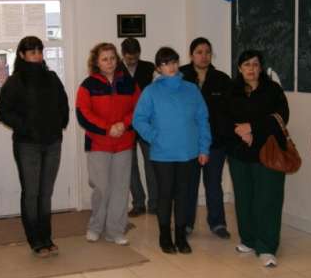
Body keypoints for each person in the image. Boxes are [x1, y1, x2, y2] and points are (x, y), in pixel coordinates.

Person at [0, 36, 69, 258]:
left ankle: (47, 237)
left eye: (39, 51)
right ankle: (35, 240)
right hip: (27, 144)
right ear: (22, 55)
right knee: (31, 192)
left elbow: (63, 104)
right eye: (32, 52)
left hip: (52, 142)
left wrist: (60, 123)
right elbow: (3, 112)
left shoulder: (52, 77)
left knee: (46, 193)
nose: (37, 56)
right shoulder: (15, 81)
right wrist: (27, 127)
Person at [133, 47, 210, 254]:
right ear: (159, 68)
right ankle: (165, 236)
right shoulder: (151, 91)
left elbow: (202, 119)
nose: (171, 67)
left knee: (184, 196)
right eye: (166, 63)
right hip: (162, 154)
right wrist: (154, 137)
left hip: (189, 153)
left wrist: (204, 148)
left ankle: (181, 237)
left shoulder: (191, 89)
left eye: (174, 62)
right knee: (165, 195)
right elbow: (138, 119)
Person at [226, 50, 289, 268]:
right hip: (239, 152)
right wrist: (240, 132)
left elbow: (281, 118)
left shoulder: (273, 90)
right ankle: (248, 239)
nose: (251, 69)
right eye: (246, 64)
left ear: (261, 68)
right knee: (244, 198)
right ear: (239, 68)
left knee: (268, 199)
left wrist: (252, 128)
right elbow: (222, 117)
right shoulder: (231, 90)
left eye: (255, 64)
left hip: (268, 152)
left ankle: (267, 247)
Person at [76, 42, 139, 245]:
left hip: (124, 142)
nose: (109, 62)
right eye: (104, 59)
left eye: (112, 58)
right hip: (98, 144)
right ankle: (95, 227)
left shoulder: (129, 83)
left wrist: (124, 124)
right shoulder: (88, 85)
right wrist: (107, 128)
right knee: (102, 188)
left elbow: (139, 108)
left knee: (121, 189)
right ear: (97, 62)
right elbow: (83, 114)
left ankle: (116, 231)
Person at [181, 37, 233, 239]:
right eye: (199, 52)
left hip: (215, 143)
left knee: (213, 184)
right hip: (188, 142)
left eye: (208, 52)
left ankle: (218, 223)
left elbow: (230, 112)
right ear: (191, 55)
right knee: (188, 185)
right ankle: (186, 224)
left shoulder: (222, 79)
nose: (204, 56)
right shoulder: (181, 76)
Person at [121, 37, 157, 217]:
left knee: (152, 164)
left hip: (147, 123)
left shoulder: (149, 68)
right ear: (123, 54)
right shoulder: (116, 70)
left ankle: (155, 204)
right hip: (125, 125)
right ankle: (138, 203)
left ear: (139, 53)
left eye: (135, 57)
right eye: (129, 58)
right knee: (130, 166)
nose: (132, 61)